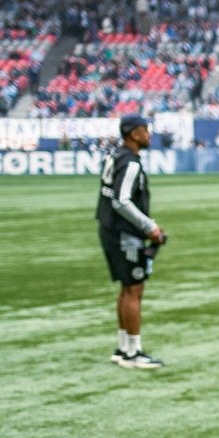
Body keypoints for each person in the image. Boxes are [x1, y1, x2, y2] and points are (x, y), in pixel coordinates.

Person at [96, 114, 167, 370]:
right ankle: (133, 353)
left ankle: (123, 347)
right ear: (134, 134)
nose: (148, 134)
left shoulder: (114, 155)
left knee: (127, 288)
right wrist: (150, 227)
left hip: (109, 229)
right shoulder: (131, 163)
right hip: (124, 234)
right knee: (134, 289)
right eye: (145, 130)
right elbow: (121, 201)